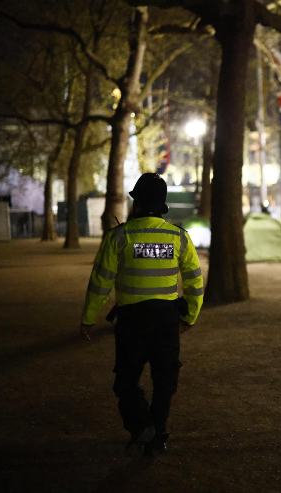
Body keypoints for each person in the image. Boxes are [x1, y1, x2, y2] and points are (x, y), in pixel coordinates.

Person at [80, 173, 204, 454]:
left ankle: (142, 427)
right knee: (165, 381)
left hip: (131, 323)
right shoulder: (179, 237)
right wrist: (190, 317)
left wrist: (89, 318)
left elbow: (100, 281)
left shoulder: (119, 236)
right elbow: (195, 281)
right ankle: (158, 431)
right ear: (163, 204)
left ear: (136, 202)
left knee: (125, 381)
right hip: (166, 321)